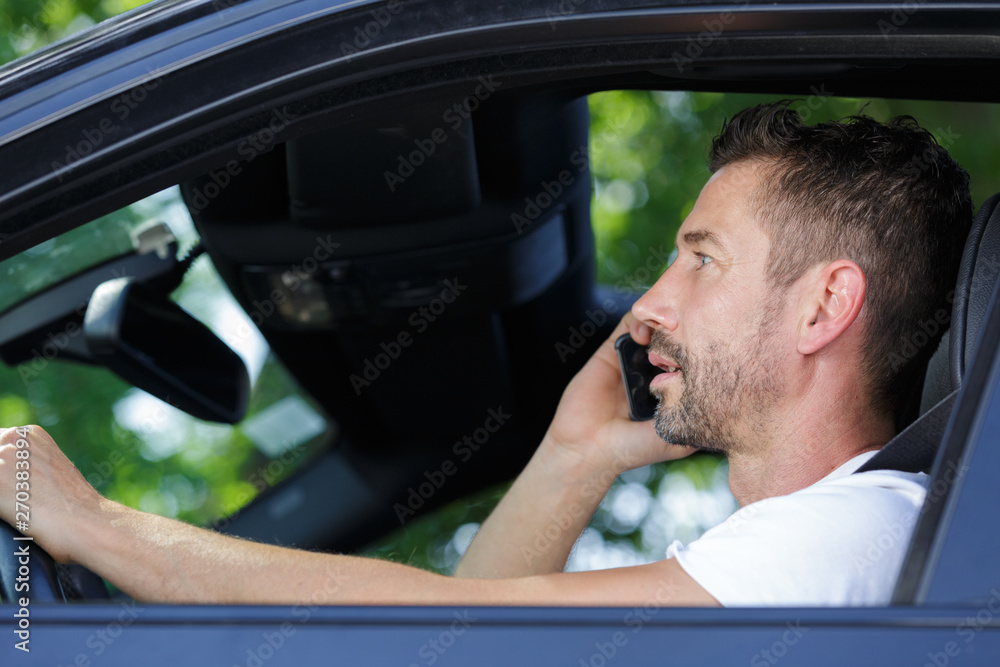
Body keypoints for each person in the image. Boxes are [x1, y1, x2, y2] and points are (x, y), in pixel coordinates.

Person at [0, 101, 973, 607]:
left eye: (700, 261)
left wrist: (100, 526)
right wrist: (572, 453)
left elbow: (458, 635)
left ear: (824, 307)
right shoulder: (820, 552)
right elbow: (475, 633)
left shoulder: (859, 531)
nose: (648, 305)